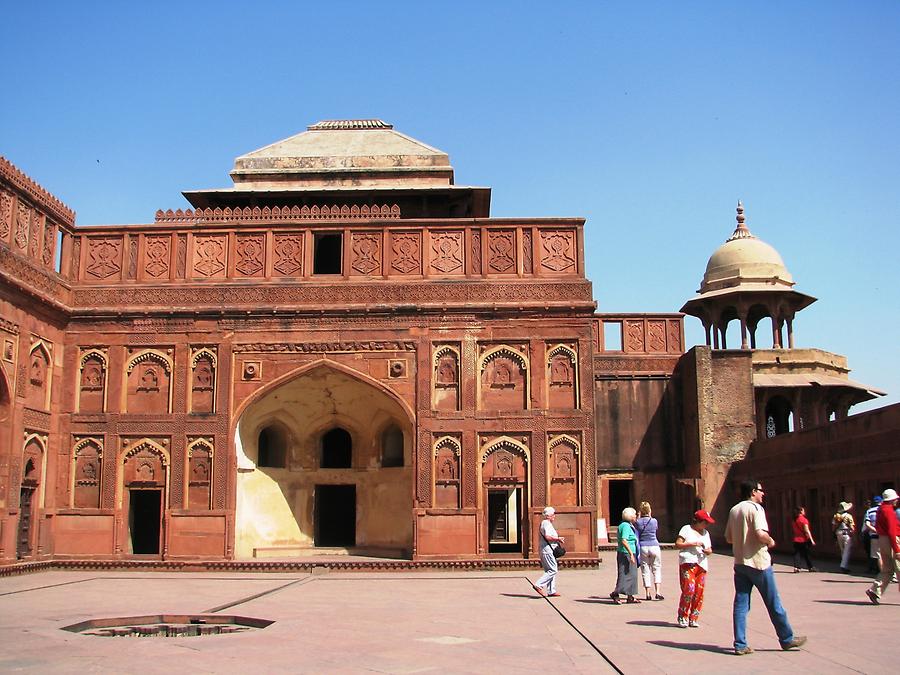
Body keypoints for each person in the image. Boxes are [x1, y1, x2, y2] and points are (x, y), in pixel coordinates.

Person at [725, 479, 806, 656]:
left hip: (740, 563)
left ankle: (740, 643)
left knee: (741, 604)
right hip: (758, 563)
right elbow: (760, 533)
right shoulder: (756, 509)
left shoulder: (734, 509)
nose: (763, 494)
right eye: (761, 491)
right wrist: (770, 541)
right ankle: (786, 638)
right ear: (753, 491)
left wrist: (742, 539)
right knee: (773, 602)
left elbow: (729, 538)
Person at [675, 509, 714, 628]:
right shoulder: (686, 529)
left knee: (699, 592)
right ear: (698, 521)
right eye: (705, 522)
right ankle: (683, 616)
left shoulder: (706, 533)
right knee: (689, 589)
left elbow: (710, 549)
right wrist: (692, 544)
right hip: (688, 562)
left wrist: (708, 551)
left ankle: (694, 617)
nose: (706, 525)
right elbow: (678, 544)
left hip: (701, 564)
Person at [865, 489, 900, 605]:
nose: (897, 500)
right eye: (895, 499)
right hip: (891, 540)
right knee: (898, 568)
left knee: (887, 569)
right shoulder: (889, 511)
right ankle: (875, 591)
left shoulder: (881, 509)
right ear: (891, 500)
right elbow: (891, 531)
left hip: (882, 539)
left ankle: (874, 591)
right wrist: (897, 549)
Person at [610, 507, 641, 604]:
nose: (636, 516)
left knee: (632, 575)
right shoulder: (625, 526)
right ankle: (615, 593)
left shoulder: (629, 525)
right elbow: (624, 540)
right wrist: (631, 554)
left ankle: (630, 596)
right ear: (630, 516)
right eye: (634, 515)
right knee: (624, 574)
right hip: (626, 553)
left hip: (630, 552)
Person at [533, 506, 565, 598]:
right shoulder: (546, 523)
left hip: (547, 550)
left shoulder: (546, 523)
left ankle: (551, 590)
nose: (554, 516)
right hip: (547, 550)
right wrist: (558, 539)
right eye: (553, 514)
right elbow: (547, 536)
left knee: (549, 570)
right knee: (553, 570)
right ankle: (539, 585)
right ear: (548, 516)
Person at [636, 501, 664, 601]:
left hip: (643, 546)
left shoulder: (638, 522)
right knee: (656, 568)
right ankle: (658, 592)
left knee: (645, 570)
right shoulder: (654, 521)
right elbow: (655, 529)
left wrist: (639, 517)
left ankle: (648, 593)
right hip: (654, 546)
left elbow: (637, 530)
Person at [791, 506, 817, 572]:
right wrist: (811, 540)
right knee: (807, 554)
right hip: (803, 539)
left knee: (797, 554)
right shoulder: (804, 520)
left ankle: (796, 567)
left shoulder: (794, 520)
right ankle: (810, 567)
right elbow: (807, 531)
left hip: (796, 539)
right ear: (801, 512)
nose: (804, 512)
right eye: (803, 510)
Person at [832, 501, 855, 573]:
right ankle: (843, 566)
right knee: (847, 550)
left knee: (842, 550)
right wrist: (853, 533)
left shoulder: (836, 516)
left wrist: (834, 534)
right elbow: (852, 526)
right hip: (846, 533)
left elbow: (833, 526)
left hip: (838, 532)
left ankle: (845, 565)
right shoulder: (848, 516)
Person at [863, 497, 882, 574]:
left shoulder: (870, 511)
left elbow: (867, 524)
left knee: (878, 555)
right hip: (886, 535)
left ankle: (882, 572)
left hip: (874, 535)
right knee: (888, 554)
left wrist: (875, 530)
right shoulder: (886, 510)